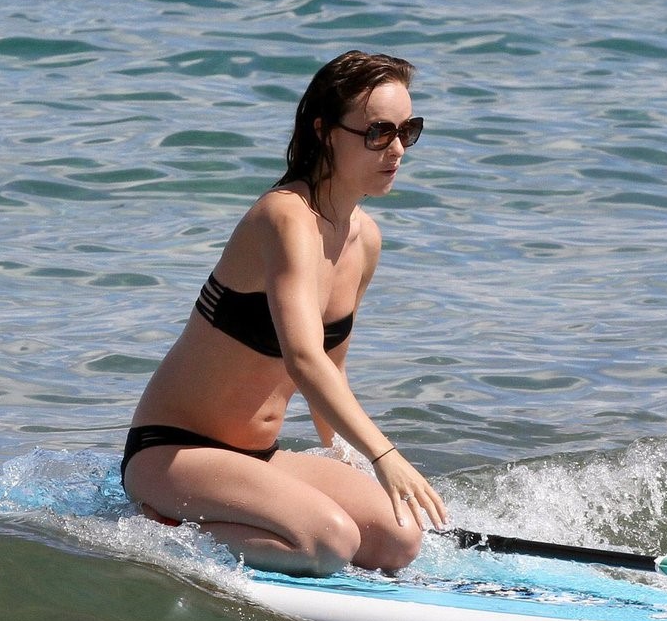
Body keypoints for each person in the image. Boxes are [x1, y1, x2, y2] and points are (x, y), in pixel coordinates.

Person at [121, 50, 447, 576]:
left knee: (399, 540)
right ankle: (159, 525)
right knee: (329, 541)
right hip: (173, 452)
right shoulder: (284, 216)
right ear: (323, 132)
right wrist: (385, 457)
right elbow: (302, 359)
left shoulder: (366, 240)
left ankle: (262, 522)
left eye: (407, 131)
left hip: (257, 457)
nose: (395, 149)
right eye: (377, 132)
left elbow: (331, 366)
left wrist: (340, 456)